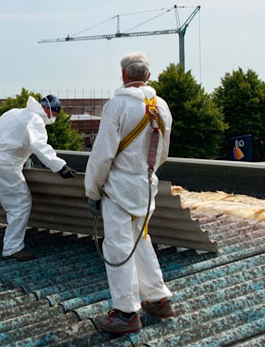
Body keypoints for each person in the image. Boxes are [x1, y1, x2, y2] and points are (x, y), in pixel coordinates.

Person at [84, 52, 175, 333]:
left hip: (119, 190)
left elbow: (102, 156)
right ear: (148, 76)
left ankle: (125, 313)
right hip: (145, 187)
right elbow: (162, 153)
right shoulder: (161, 106)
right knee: (140, 242)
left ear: (124, 76)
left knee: (118, 247)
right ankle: (159, 299)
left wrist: (93, 190)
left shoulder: (117, 106)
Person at [0, 94, 76, 261]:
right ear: (48, 109)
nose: (53, 118)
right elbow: (39, 145)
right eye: (55, 115)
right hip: (5, 165)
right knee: (20, 203)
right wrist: (59, 166)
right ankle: (12, 248)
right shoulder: (36, 119)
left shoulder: (13, 112)